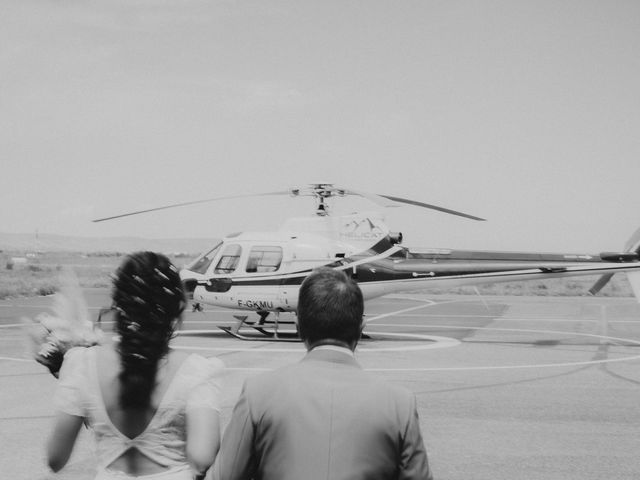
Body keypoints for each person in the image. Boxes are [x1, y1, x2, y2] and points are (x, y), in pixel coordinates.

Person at [215, 267, 433, 480]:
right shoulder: (400, 403)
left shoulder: (259, 393)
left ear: (298, 325)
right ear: (361, 326)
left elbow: (225, 475)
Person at [45, 251, 223, 480]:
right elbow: (202, 458)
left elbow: (55, 458)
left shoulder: (82, 363)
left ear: (118, 304)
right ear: (174, 309)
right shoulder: (196, 371)